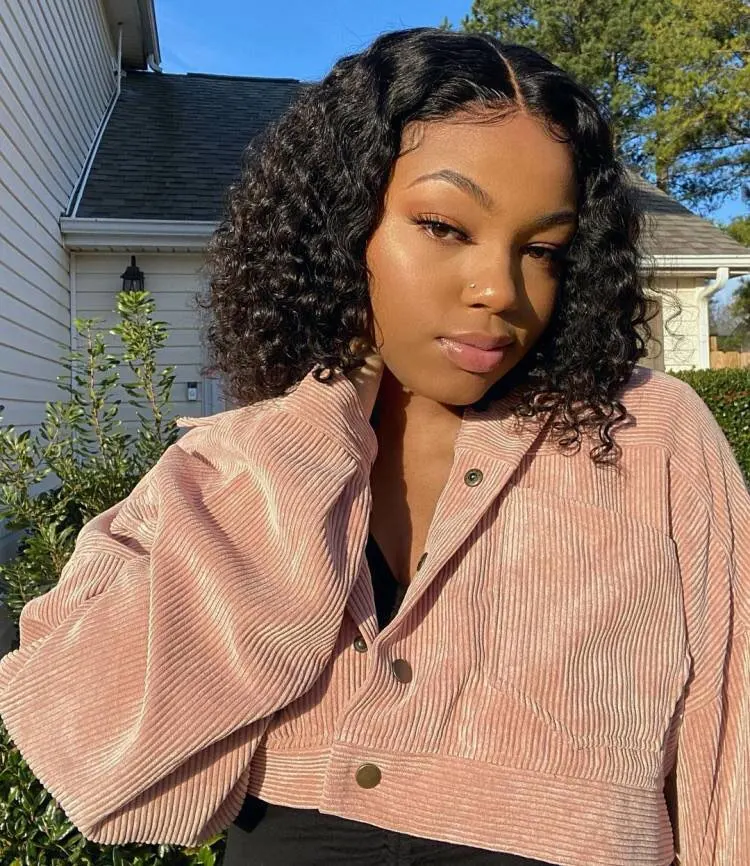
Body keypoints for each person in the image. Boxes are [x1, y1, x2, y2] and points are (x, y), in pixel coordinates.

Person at [0, 26, 747, 866]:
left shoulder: (647, 436)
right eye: (443, 226)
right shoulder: (239, 459)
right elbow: (94, 750)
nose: (499, 289)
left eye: (542, 249)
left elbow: (733, 742)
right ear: (343, 224)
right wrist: (323, 420)